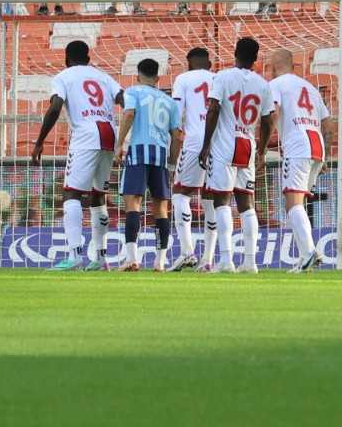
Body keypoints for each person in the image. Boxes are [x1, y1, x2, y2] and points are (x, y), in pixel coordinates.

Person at [31, 40, 124, 271]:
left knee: (71, 193)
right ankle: (101, 260)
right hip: (109, 134)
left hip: (86, 136)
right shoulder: (103, 76)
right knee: (97, 196)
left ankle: (74, 257)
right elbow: (124, 98)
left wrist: (40, 142)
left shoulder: (63, 76)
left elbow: (55, 107)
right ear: (88, 58)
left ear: (66, 58)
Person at [198, 37, 273, 273]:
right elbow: (269, 120)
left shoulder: (222, 77)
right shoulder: (263, 84)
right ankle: (250, 262)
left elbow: (213, 110)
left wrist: (205, 145)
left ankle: (226, 260)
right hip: (247, 144)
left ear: (235, 53)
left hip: (224, 144)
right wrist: (261, 150)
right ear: (256, 58)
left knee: (221, 200)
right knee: (246, 202)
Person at [268, 49, 334, 273]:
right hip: (317, 146)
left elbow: (274, 113)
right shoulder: (311, 88)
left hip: (297, 147)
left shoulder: (276, 85)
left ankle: (309, 252)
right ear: (293, 66)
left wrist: (263, 144)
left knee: (292, 203)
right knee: (298, 204)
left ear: (272, 66)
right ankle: (305, 261)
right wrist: (326, 155)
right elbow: (328, 125)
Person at [114, 58, 182, 272]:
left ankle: (132, 259)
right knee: (161, 209)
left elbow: (129, 113)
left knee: (133, 203)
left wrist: (119, 144)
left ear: (137, 75)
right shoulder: (170, 102)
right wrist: (172, 165)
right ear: (158, 78)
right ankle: (160, 262)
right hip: (160, 156)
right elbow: (177, 136)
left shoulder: (132, 92)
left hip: (139, 152)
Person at [169, 47, 212, 271]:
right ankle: (208, 260)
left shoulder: (183, 79)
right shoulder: (219, 78)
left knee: (180, 193)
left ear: (189, 63)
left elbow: (176, 115)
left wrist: (172, 154)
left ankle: (187, 251)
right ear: (209, 64)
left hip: (196, 142)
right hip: (221, 144)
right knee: (213, 198)